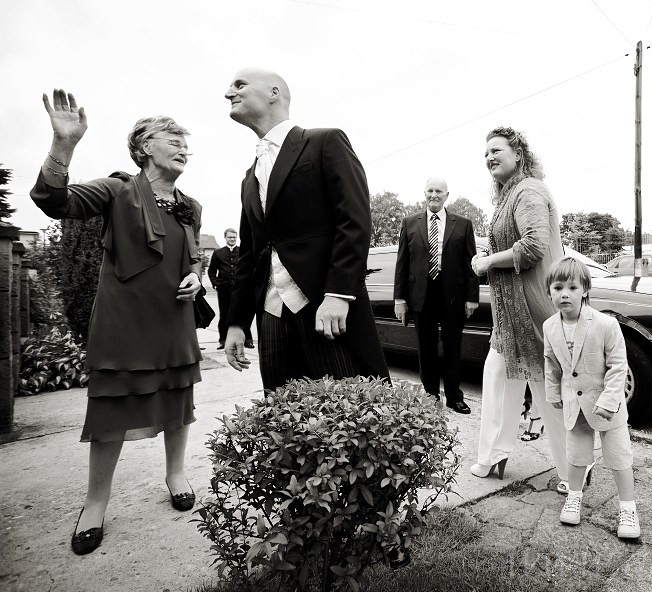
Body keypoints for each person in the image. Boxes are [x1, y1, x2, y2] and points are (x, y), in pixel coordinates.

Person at [30, 90, 203, 555]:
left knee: (177, 403)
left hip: (174, 323)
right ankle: (94, 504)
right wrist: (63, 145)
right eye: (174, 140)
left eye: (186, 141)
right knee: (109, 413)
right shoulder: (116, 190)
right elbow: (51, 199)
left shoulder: (192, 205)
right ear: (145, 146)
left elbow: (193, 259)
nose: (184, 147)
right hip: (124, 324)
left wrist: (195, 277)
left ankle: (176, 474)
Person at [222, 68, 389, 388]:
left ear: (274, 93)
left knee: (345, 416)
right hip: (271, 317)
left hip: (325, 309)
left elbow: (353, 222)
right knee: (284, 420)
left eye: (239, 85)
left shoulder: (324, 142)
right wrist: (237, 323)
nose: (229, 92)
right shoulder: (249, 176)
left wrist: (339, 294)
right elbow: (249, 254)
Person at [468, 126, 573, 489]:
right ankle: (493, 455)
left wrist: (487, 262)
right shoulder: (507, 196)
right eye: (485, 154)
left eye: (496, 150)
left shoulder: (528, 190)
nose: (489, 157)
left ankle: (574, 469)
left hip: (536, 313)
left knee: (548, 394)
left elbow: (533, 247)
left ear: (519, 154)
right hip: (508, 318)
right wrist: (491, 258)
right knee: (498, 377)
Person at [544, 257, 640, 539]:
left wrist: (610, 401)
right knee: (575, 456)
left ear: (585, 289)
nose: (565, 294)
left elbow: (618, 366)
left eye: (572, 287)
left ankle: (628, 509)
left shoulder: (605, 324)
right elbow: (551, 363)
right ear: (549, 290)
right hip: (575, 406)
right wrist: (553, 393)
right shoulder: (550, 326)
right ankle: (574, 496)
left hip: (606, 407)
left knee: (619, 458)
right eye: (557, 287)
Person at [393, 178, 479, 414]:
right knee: (426, 348)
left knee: (453, 347)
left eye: (438, 191)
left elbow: (470, 263)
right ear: (424, 193)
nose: (434, 194)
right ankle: (430, 397)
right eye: (430, 190)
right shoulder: (410, 223)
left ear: (446, 195)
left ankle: (454, 397)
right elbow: (402, 263)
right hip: (421, 295)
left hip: (452, 295)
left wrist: (472, 298)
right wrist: (399, 299)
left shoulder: (463, 224)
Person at [208, 228, 253, 349]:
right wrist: (216, 283)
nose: (232, 239)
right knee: (224, 315)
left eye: (234, 237)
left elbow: (249, 268)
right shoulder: (218, 252)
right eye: (230, 237)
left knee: (244, 312)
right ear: (225, 238)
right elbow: (211, 271)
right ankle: (223, 340)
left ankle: (248, 339)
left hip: (241, 288)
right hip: (224, 289)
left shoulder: (243, 251)